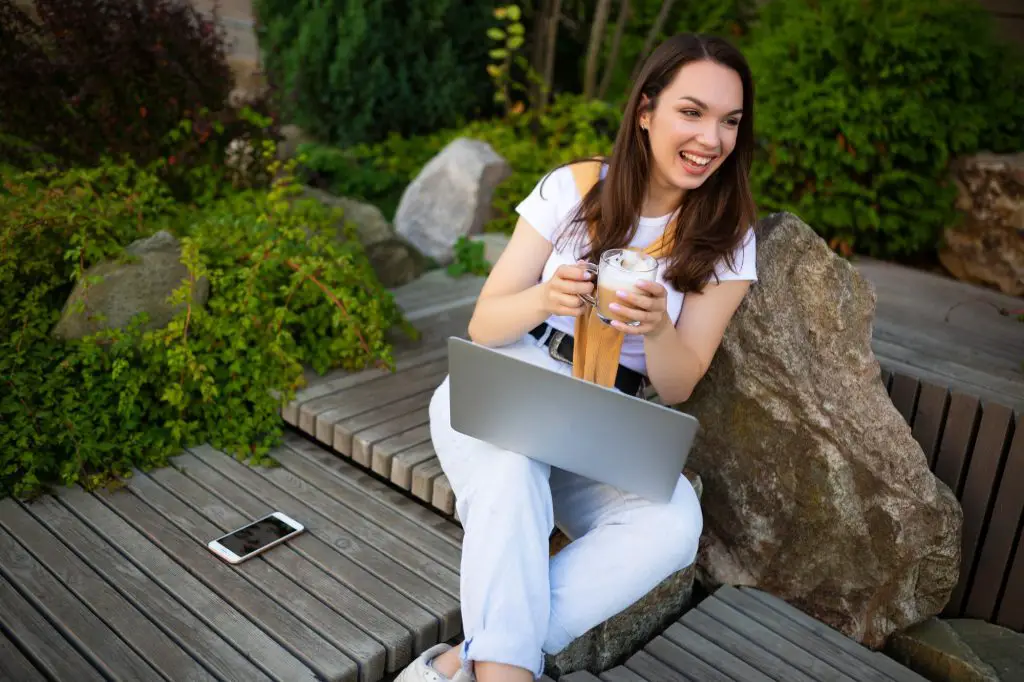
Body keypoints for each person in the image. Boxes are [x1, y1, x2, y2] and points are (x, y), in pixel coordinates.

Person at [397, 32, 759, 682]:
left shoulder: (727, 240)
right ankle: (505, 673)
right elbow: (484, 323)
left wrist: (658, 328)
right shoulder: (576, 188)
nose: (712, 138)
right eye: (692, 112)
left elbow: (678, 385)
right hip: (509, 380)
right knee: (511, 468)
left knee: (676, 520)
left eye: (729, 121)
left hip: (597, 421)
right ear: (646, 111)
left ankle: (461, 661)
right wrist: (543, 297)